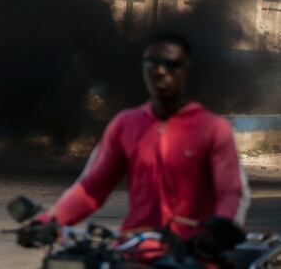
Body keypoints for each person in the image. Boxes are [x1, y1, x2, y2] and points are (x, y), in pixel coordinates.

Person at [31, 32, 249, 255]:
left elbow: (231, 192)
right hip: (135, 250)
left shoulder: (213, 128)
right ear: (143, 68)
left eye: (171, 64)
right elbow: (91, 188)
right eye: (152, 63)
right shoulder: (125, 124)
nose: (160, 71)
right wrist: (50, 220)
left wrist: (220, 229)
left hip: (194, 253)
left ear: (187, 71)